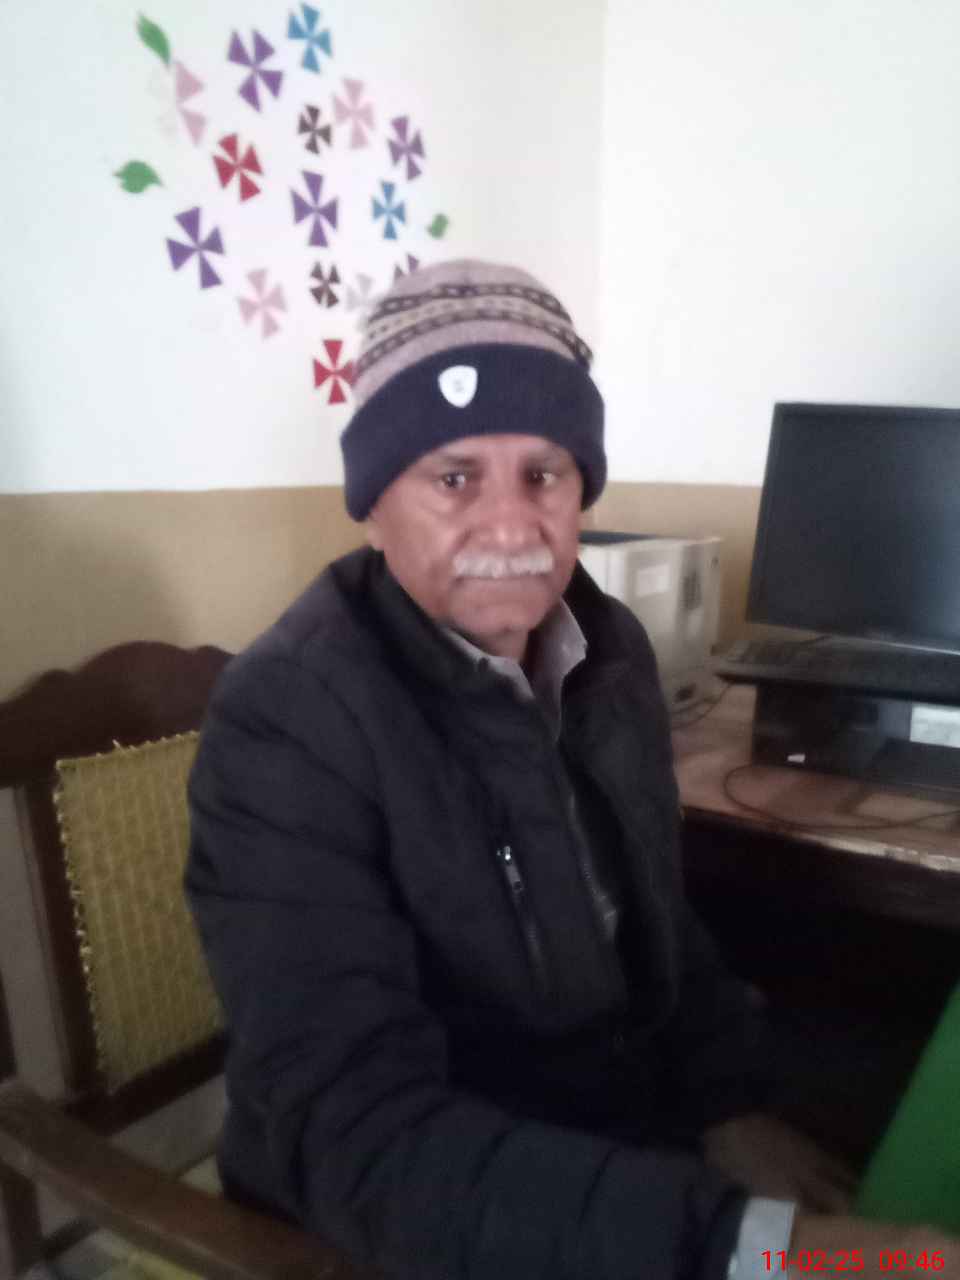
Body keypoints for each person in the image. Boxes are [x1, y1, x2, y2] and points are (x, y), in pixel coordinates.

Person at [186, 260, 959, 1279]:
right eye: (455, 477)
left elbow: (658, 928)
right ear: (373, 502)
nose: (513, 526)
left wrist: (725, 1103)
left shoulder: (608, 649)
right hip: (421, 1213)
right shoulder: (287, 722)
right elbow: (357, 1137)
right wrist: (741, 1245)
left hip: (617, 1127)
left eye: (543, 474)